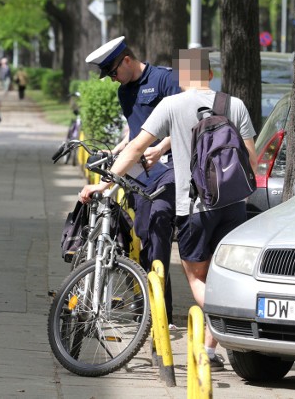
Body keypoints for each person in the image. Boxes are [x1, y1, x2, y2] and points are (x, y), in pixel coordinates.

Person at [79, 48, 257, 372]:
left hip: (195, 205)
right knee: (221, 273)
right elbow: (251, 160)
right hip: (234, 205)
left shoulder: (171, 105)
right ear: (211, 75)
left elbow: (136, 147)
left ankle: (230, 321)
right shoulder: (235, 105)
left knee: (197, 277)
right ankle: (210, 349)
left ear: (182, 77)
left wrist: (103, 185)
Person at [85, 36, 181, 327]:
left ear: (127, 60)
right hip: (140, 176)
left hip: (169, 169)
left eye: (113, 72)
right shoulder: (124, 93)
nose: (113, 79)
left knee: (158, 229)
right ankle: (147, 299)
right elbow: (135, 133)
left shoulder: (166, 80)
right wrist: (114, 152)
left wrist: (161, 148)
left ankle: (160, 311)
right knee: (142, 232)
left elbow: (183, 123)